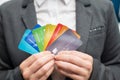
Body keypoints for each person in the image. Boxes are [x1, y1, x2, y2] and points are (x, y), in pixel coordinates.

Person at [0, 0, 120, 80]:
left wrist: (96, 73)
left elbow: (116, 68)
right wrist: (19, 77)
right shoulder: (6, 12)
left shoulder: (104, 7)